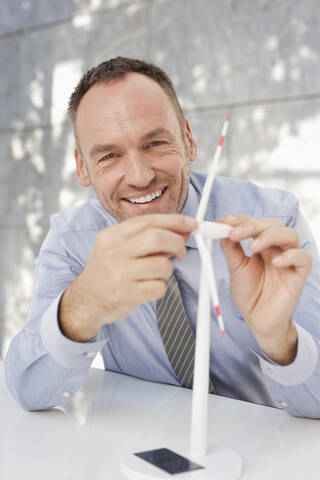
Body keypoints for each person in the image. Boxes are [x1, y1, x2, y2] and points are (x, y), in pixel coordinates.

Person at [5, 57, 320, 417]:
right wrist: (81, 307)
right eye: (109, 155)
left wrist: (281, 339)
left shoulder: (273, 222)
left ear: (188, 141)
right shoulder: (71, 242)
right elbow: (29, 391)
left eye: (155, 143)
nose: (139, 176)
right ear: (82, 167)